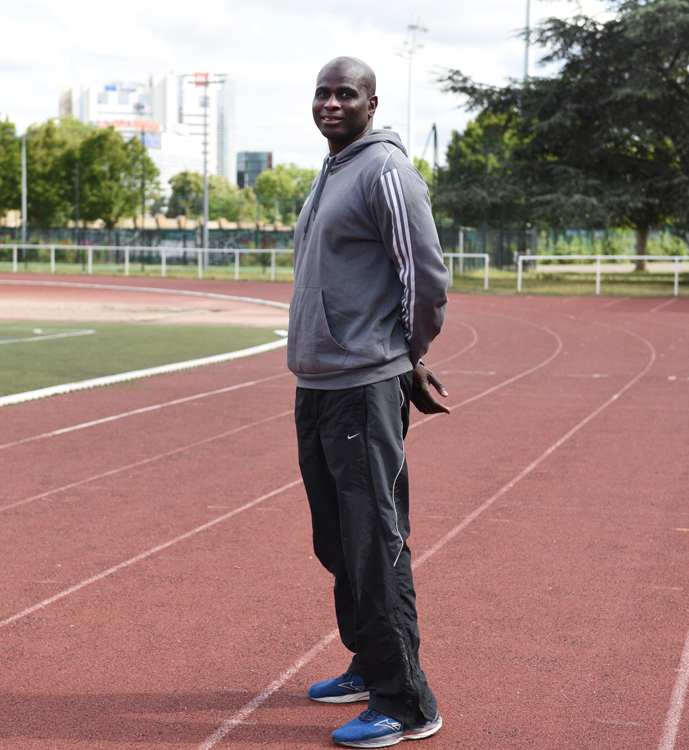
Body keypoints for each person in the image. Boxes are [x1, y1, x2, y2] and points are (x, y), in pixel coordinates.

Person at [289, 56, 450, 748]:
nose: (331, 102)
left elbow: (425, 276)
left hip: (362, 386)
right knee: (338, 540)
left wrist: (405, 357)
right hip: (318, 384)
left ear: (371, 102)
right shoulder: (332, 171)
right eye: (322, 92)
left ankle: (406, 700)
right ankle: (367, 665)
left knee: (374, 541)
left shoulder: (385, 172)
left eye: (344, 93)